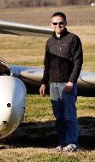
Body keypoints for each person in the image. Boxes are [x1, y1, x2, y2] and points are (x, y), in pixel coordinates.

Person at [39, 12, 83, 152]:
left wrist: (71, 81)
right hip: (54, 85)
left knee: (69, 115)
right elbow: (47, 64)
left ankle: (72, 143)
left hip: (67, 84)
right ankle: (62, 143)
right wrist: (44, 82)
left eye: (61, 23)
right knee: (59, 116)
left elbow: (78, 62)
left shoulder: (73, 39)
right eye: (55, 23)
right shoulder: (49, 42)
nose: (58, 26)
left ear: (65, 23)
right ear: (51, 25)